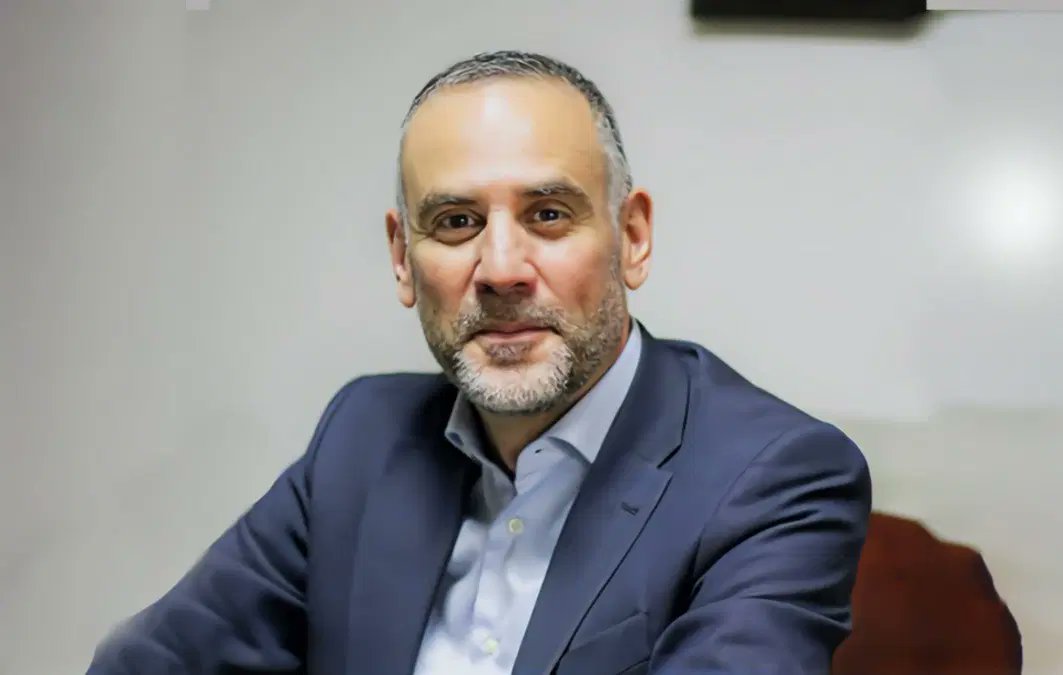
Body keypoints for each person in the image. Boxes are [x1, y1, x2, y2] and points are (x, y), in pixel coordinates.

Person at [88, 50, 872, 675]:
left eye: (548, 214)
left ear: (632, 238)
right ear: (402, 258)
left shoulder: (780, 477)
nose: (501, 270)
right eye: (457, 221)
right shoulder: (362, 436)